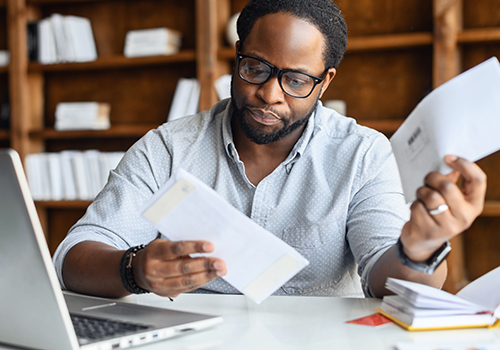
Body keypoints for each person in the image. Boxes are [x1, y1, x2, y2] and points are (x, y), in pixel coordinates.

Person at [53, 0, 486, 299]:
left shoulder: (362, 154)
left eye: (296, 80)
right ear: (237, 56)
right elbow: (75, 257)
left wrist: (419, 249)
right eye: (255, 69)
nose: (269, 94)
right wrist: (135, 269)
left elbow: (384, 284)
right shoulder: (168, 147)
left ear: (326, 81)